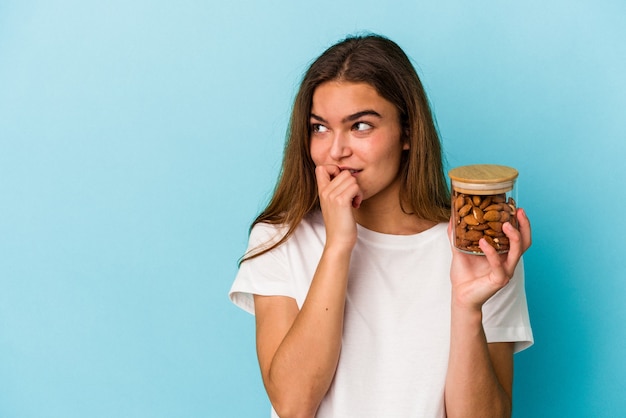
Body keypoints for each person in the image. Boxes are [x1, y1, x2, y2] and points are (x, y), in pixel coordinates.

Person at [229, 33, 533, 418]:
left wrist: (467, 306)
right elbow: (293, 404)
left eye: (360, 126)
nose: (336, 150)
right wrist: (339, 244)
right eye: (319, 128)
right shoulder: (280, 238)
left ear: (407, 132)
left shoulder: (480, 250)